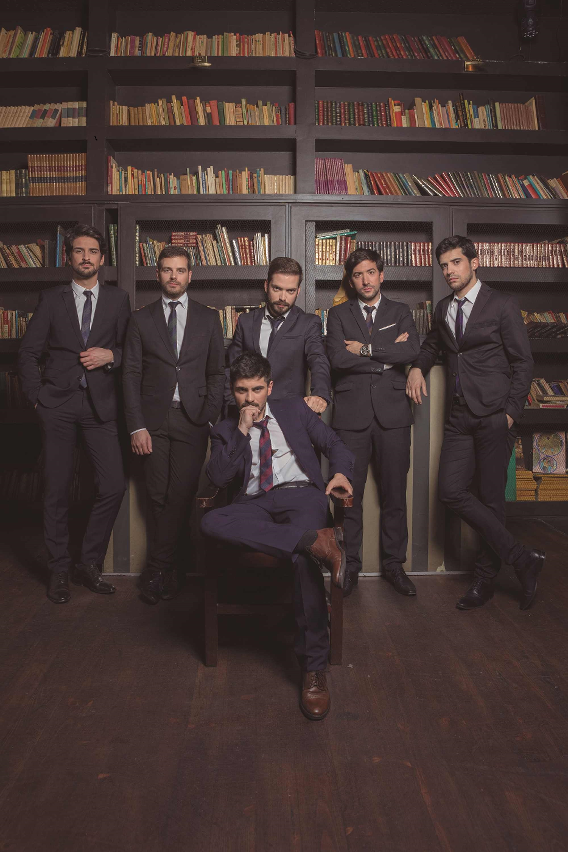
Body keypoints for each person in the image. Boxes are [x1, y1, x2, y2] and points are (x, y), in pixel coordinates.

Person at [201, 352, 354, 721]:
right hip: (254, 502)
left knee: (303, 562)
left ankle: (313, 669)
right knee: (211, 521)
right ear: (232, 391)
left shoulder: (294, 410)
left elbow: (335, 444)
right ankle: (314, 541)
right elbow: (218, 477)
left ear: (269, 388)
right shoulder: (225, 429)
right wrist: (241, 430)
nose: (250, 398)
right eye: (242, 391)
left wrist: (341, 474)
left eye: (256, 389)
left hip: (301, 495)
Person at [407, 235, 543, 610]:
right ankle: (522, 558)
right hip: (459, 416)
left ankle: (484, 581)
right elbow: (432, 345)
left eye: (456, 262)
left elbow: (523, 362)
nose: (450, 271)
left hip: (495, 416)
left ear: (474, 262)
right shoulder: (442, 309)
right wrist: (417, 367)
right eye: (444, 265)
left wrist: (510, 413)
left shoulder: (501, 304)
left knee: (491, 499)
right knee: (450, 491)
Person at [18, 224, 131, 603]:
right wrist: (37, 399)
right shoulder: (52, 299)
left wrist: (111, 355)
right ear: (69, 257)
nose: (86, 257)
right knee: (56, 490)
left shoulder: (118, 299)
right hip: (58, 406)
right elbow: (28, 353)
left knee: (113, 485)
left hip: (102, 406)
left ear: (102, 258)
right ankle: (59, 570)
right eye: (79, 251)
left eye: (93, 251)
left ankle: (89, 563)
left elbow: (131, 351)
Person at [122, 246, 225, 604]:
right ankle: (172, 570)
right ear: (158, 274)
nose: (173, 276)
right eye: (167, 270)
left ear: (190, 275)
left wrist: (209, 416)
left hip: (193, 419)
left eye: (180, 270)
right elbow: (130, 374)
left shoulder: (209, 318)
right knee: (156, 495)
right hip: (151, 421)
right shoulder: (141, 319)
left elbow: (217, 372)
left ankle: (158, 568)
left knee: (180, 494)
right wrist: (136, 426)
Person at [326, 248, 420, 598]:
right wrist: (385, 356)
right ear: (351, 281)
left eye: (370, 272)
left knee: (394, 494)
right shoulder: (338, 314)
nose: (365, 280)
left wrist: (364, 349)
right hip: (350, 417)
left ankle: (394, 565)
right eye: (357, 275)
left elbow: (410, 351)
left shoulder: (400, 312)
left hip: (394, 416)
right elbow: (337, 358)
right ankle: (350, 565)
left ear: (382, 275)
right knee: (349, 495)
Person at [226, 256, 330, 413]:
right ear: (266, 286)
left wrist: (320, 394)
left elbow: (318, 360)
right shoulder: (245, 321)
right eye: (277, 289)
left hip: (289, 412)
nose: (283, 297)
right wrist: (233, 405)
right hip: (248, 410)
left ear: (298, 291)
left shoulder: (308, 323)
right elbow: (231, 367)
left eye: (290, 291)